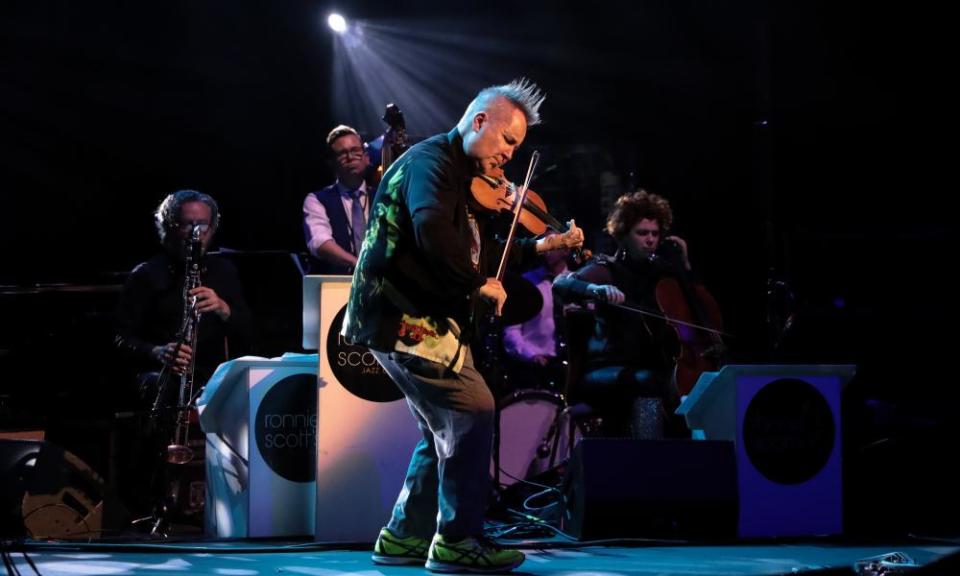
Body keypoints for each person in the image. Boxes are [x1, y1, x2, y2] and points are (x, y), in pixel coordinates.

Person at [342, 79, 582, 572]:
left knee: (441, 430)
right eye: (508, 141)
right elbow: (432, 233)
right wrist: (475, 286)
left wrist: (539, 247)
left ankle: (404, 537)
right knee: (473, 409)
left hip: (411, 318)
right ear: (479, 123)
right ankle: (457, 539)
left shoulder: (461, 175)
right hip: (401, 316)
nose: (510, 157)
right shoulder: (430, 165)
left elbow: (476, 253)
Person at [114, 189, 252, 520]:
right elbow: (119, 339)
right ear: (170, 227)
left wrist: (223, 308)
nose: (195, 234)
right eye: (187, 225)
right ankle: (154, 498)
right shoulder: (146, 276)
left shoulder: (224, 273)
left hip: (209, 373)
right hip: (159, 374)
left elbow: (250, 332)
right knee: (166, 390)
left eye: (202, 226)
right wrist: (158, 352)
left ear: (213, 228)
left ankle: (235, 499)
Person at [553, 189, 696, 439]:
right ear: (623, 235)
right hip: (606, 369)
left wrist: (684, 266)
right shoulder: (607, 269)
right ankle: (647, 454)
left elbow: (695, 307)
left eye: (655, 233)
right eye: (642, 233)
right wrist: (595, 289)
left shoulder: (663, 272)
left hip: (651, 368)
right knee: (650, 381)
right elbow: (562, 285)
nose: (650, 239)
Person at [501, 232, 570, 393]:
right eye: (544, 244)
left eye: (551, 244)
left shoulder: (578, 282)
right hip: (533, 368)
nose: (545, 249)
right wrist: (531, 355)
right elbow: (511, 331)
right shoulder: (525, 282)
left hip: (569, 369)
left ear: (566, 250)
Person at [303, 125, 373, 274]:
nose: (350, 157)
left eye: (355, 151)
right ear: (332, 163)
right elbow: (320, 243)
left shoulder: (382, 197)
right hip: (335, 287)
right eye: (342, 153)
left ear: (366, 157)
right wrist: (358, 264)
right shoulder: (317, 200)